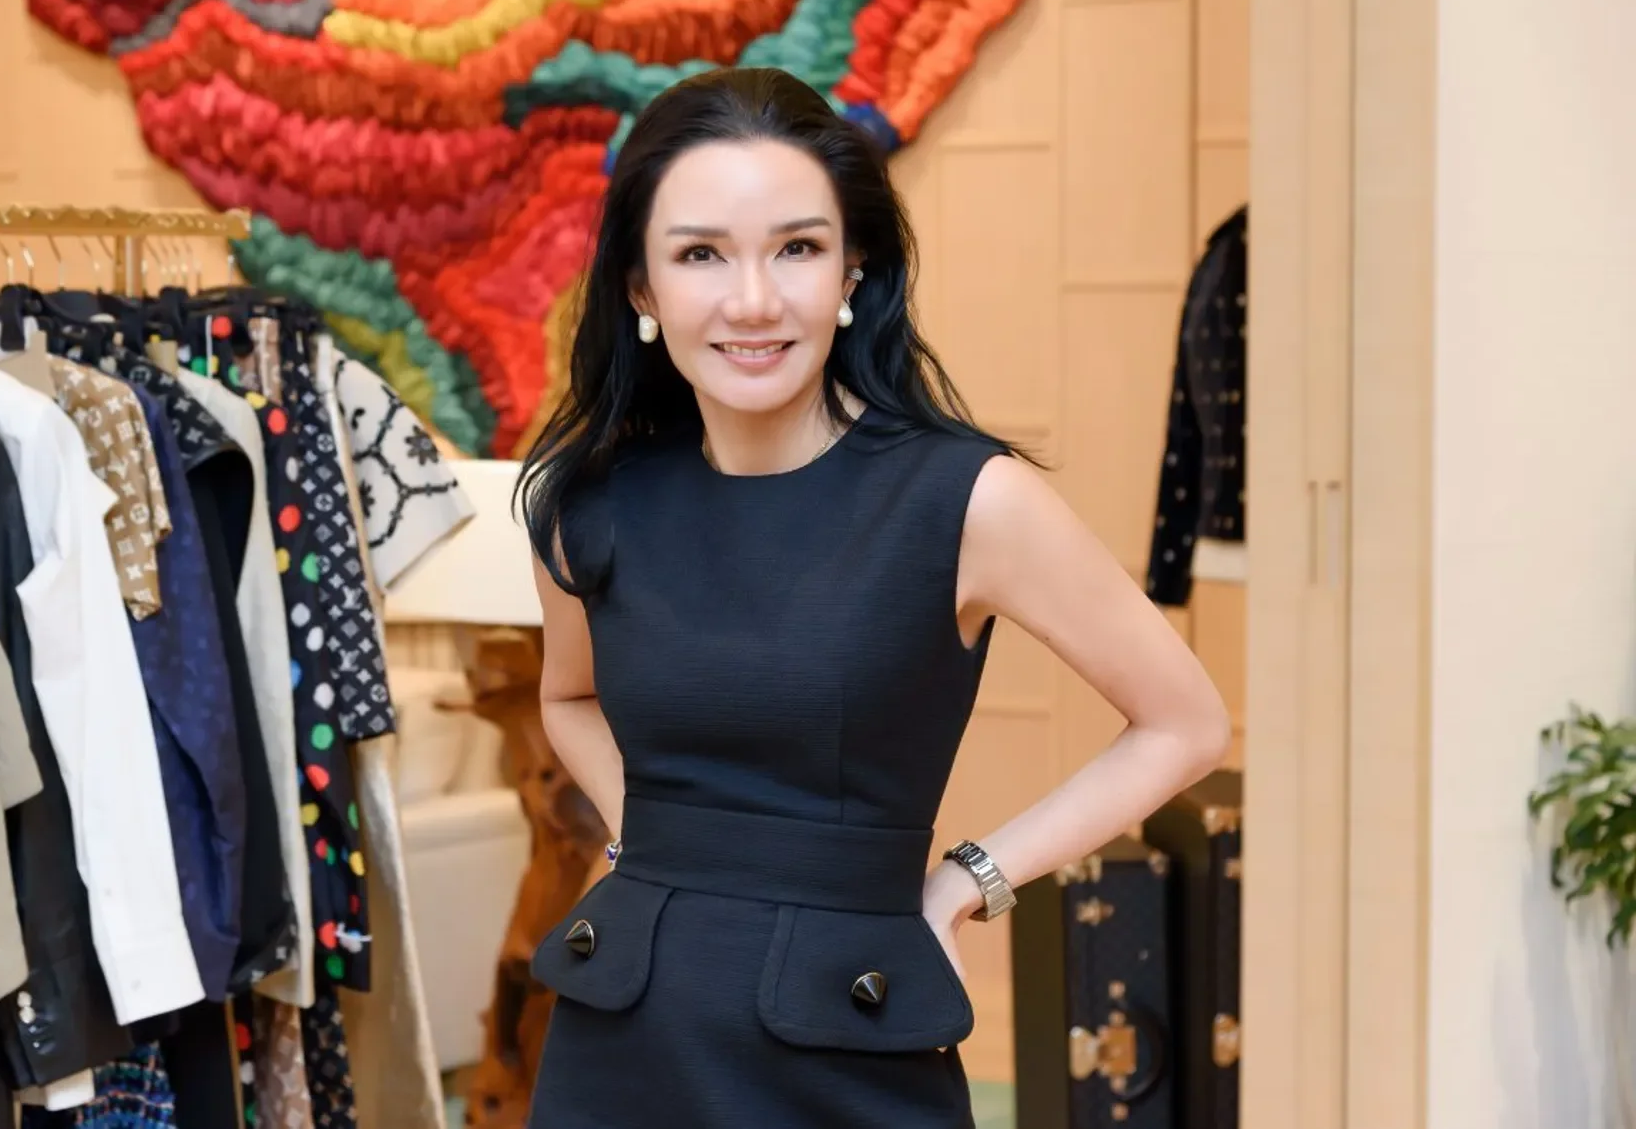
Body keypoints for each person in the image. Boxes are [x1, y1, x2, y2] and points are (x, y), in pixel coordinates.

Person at [515, 66, 1230, 1129]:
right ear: (640, 288)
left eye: (797, 248)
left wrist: (969, 881)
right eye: (701, 254)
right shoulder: (587, 502)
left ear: (854, 269)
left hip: (848, 1041)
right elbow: (567, 697)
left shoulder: (967, 500)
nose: (753, 301)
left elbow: (1186, 723)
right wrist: (651, 834)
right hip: (621, 1039)